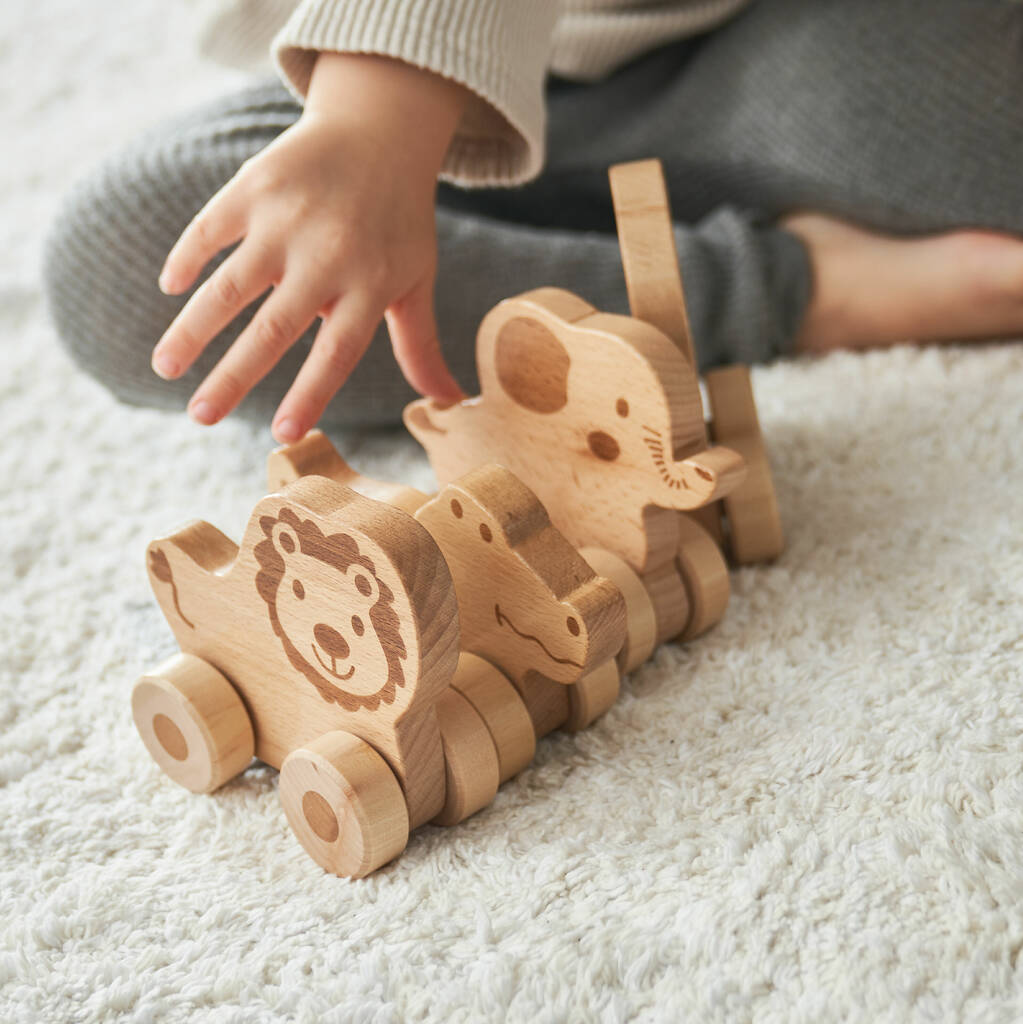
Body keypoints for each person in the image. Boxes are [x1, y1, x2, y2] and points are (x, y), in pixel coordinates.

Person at [42, 0, 1023, 442]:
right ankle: (803, 286)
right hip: (405, 84)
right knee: (130, 262)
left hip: (767, 43)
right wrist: (371, 121)